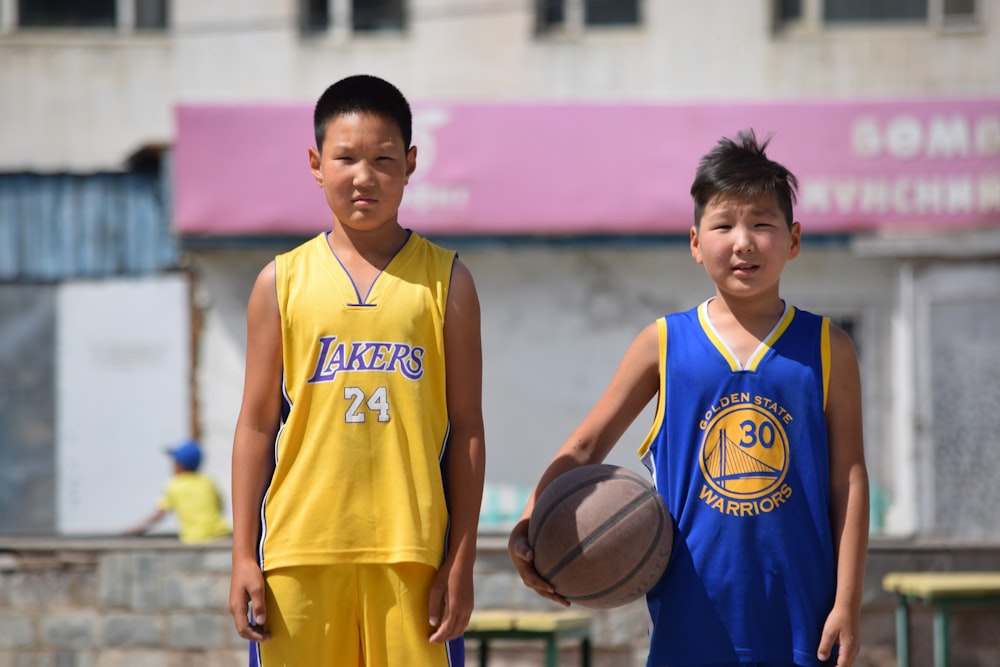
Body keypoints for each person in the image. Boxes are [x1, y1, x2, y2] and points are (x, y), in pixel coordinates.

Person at [508, 130, 869, 667]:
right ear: (696, 243)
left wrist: (847, 602)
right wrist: (531, 523)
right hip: (690, 616)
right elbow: (585, 446)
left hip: (803, 619)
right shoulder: (664, 342)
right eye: (723, 225)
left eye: (761, 224)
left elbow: (850, 480)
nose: (743, 241)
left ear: (793, 240)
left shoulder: (827, 346)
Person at [227, 74, 486, 667]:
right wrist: (244, 553)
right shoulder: (279, 282)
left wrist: (461, 557)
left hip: (413, 556)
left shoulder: (448, 282)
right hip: (299, 554)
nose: (364, 176)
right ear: (317, 164)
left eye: (383, 159)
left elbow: (467, 430)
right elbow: (255, 426)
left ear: (411, 163)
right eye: (346, 158)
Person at [125, 439, 232, 544]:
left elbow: (159, 515)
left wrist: (136, 530)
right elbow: (220, 506)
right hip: (222, 535)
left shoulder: (174, 485)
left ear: (180, 465)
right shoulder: (208, 481)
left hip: (197, 540)